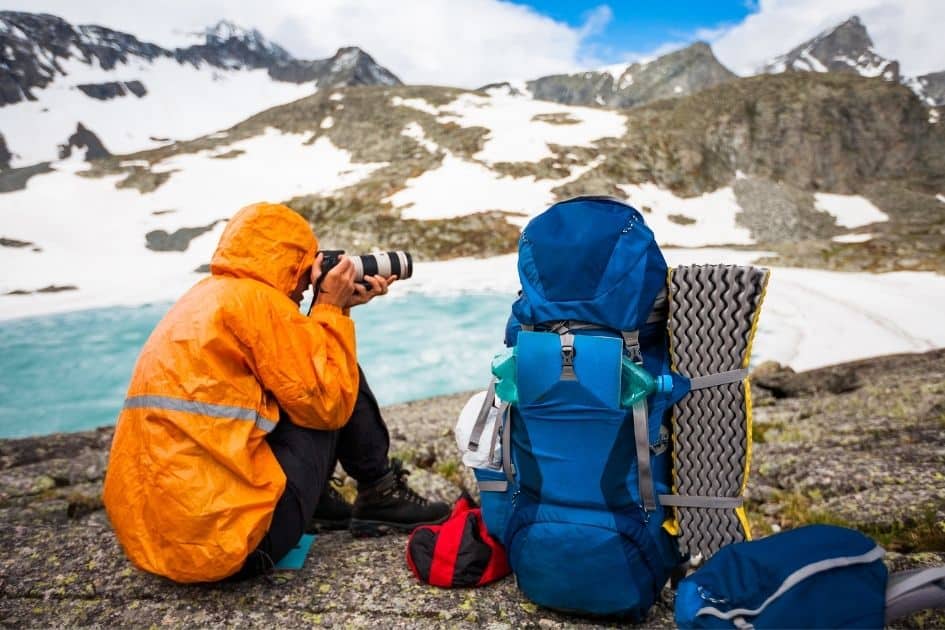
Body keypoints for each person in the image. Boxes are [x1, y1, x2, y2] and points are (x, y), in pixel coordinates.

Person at [103, 202, 450, 583]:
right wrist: (330, 308)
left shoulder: (204, 297)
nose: (304, 286)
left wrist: (333, 307)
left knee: (308, 369)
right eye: (304, 270)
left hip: (156, 541)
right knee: (336, 369)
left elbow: (283, 366)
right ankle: (380, 493)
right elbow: (328, 402)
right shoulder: (260, 305)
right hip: (236, 544)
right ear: (290, 261)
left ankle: (318, 502)